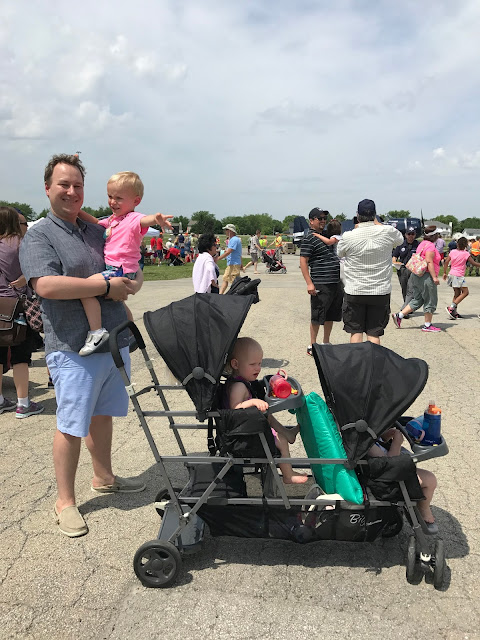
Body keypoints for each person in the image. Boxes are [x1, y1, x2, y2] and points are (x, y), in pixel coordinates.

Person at [19, 154, 147, 538]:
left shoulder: (94, 230)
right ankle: (65, 501)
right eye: (64, 184)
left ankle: (104, 477)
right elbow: (45, 285)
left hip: (112, 339)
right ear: (47, 188)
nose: (72, 191)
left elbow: (127, 260)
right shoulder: (39, 234)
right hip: (73, 345)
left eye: (77, 185)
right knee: (71, 423)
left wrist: (134, 280)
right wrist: (104, 285)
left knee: (102, 414)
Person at [75, 172, 172, 355]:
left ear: (136, 201)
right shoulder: (114, 219)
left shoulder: (133, 219)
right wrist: (77, 211)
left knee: (85, 289)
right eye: (110, 196)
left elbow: (144, 220)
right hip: (119, 269)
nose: (113, 202)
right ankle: (131, 332)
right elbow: (96, 222)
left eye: (119, 198)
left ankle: (96, 332)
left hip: (120, 269)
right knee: (118, 302)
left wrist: (156, 219)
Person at [226, 337, 307, 484]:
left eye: (260, 363)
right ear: (235, 364)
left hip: (249, 428)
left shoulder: (243, 381)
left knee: (267, 416)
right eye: (252, 364)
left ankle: (288, 433)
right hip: (245, 436)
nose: (258, 368)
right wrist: (253, 401)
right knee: (281, 441)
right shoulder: (238, 386)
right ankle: (288, 475)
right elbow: (235, 408)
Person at [337, 199, 403, 345]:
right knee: (374, 333)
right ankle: (374, 359)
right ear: (374, 215)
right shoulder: (388, 232)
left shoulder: (349, 236)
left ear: (357, 216)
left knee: (356, 332)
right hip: (379, 290)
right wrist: (378, 223)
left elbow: (340, 253)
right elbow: (400, 240)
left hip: (355, 290)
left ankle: (357, 359)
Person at [0, 207, 45, 418]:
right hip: (18, 304)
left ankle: (1, 401)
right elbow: (37, 268)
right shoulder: (20, 243)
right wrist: (25, 277)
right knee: (20, 356)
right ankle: (23, 403)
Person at [368, 426, 438, 533]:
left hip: (383, 471)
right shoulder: (366, 443)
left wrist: (386, 436)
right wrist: (397, 442)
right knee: (430, 480)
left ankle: (417, 503)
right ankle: (423, 509)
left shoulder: (364, 435)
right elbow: (390, 465)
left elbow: (379, 445)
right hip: (385, 480)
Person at [300, 208, 343, 355]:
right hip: (320, 282)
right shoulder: (309, 238)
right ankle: (313, 345)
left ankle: (326, 341)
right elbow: (303, 261)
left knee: (331, 315)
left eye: (325, 218)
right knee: (317, 315)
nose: (323, 221)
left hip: (335, 282)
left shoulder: (327, 235)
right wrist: (309, 283)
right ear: (311, 221)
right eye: (320, 218)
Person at [392, 226, 443, 332]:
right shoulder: (430, 246)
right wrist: (434, 277)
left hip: (417, 275)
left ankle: (399, 315)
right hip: (426, 276)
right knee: (430, 299)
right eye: (437, 234)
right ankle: (427, 325)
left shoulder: (422, 244)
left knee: (418, 299)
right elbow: (429, 261)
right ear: (434, 235)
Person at [443, 236, 480, 319]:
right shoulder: (466, 254)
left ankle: (453, 313)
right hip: (458, 275)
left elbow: (446, 262)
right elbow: (473, 263)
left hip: (451, 274)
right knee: (465, 292)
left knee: (457, 293)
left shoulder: (452, 252)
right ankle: (451, 307)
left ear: (457, 244)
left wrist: (444, 272)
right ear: (466, 245)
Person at [392, 227, 419, 305]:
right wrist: (395, 262)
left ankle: (409, 305)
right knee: (404, 288)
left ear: (415, 235)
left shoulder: (418, 244)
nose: (411, 236)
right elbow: (395, 256)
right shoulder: (401, 244)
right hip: (403, 269)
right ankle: (406, 304)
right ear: (405, 235)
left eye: (412, 234)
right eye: (409, 234)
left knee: (412, 288)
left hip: (413, 269)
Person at [219, 224, 244, 294]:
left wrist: (218, 258)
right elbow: (238, 253)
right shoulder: (232, 240)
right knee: (225, 279)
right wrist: (241, 263)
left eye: (226, 230)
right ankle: (220, 294)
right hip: (231, 263)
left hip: (234, 264)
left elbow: (229, 252)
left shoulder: (234, 240)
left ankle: (239, 294)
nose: (225, 231)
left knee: (235, 282)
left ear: (231, 231)